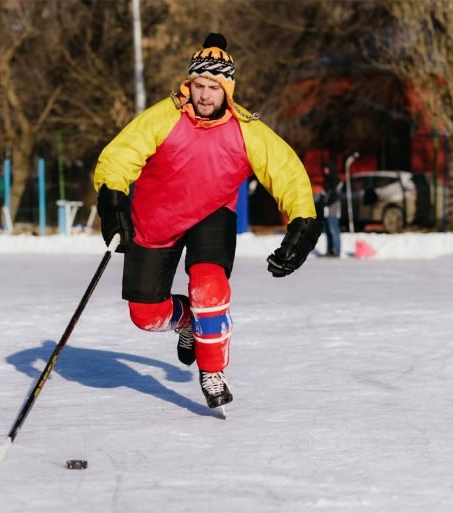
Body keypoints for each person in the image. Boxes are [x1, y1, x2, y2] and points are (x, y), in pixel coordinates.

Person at [94, 33, 321, 412]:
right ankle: (187, 323)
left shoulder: (247, 130)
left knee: (207, 283)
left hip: (211, 213)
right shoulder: (164, 116)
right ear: (189, 84)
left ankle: (212, 369)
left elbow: (287, 173)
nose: (204, 95)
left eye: (213, 87)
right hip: (155, 217)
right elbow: (120, 156)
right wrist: (112, 197)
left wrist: (302, 223)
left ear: (227, 90)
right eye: (199, 85)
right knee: (145, 316)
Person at [321, 164, 342, 257]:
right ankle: (329, 250)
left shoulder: (335, 180)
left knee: (333, 228)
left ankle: (336, 250)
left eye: (327, 168)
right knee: (328, 229)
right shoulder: (327, 180)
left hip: (333, 205)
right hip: (327, 207)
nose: (325, 170)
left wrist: (326, 200)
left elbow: (334, 194)